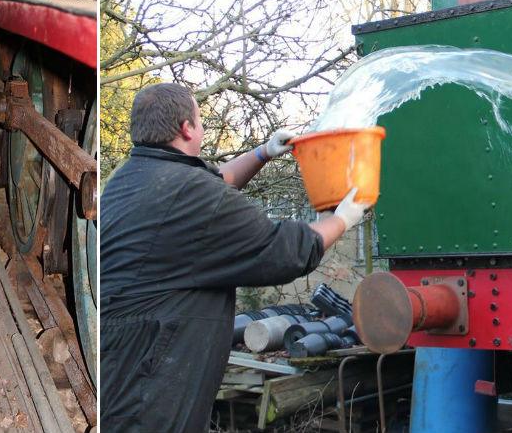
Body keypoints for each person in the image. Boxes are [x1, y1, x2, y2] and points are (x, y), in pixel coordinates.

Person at [100, 83, 369, 432]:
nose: (201, 127)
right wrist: (343, 219)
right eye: (199, 121)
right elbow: (281, 250)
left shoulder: (133, 178)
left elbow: (217, 181)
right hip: (154, 383)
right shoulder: (191, 194)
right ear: (186, 128)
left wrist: (263, 153)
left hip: (123, 358)